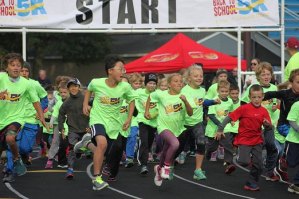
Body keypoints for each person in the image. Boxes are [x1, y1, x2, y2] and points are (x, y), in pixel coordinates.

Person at [81, 55, 137, 190]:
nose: (123, 72)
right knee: (102, 143)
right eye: (120, 69)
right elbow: (89, 89)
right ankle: (97, 179)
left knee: (106, 151)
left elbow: (131, 101)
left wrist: (129, 118)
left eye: (124, 69)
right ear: (110, 71)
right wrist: (85, 104)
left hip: (114, 123)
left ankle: (86, 143)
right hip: (97, 119)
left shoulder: (125, 86)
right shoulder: (96, 82)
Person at [215, 84, 272, 191]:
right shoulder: (244, 108)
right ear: (250, 97)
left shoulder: (264, 111)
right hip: (244, 140)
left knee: (258, 165)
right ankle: (233, 163)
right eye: (254, 97)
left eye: (259, 97)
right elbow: (229, 117)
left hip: (257, 140)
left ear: (263, 97)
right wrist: (220, 129)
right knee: (244, 161)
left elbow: (268, 127)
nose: (256, 99)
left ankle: (251, 183)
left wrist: (268, 125)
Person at [0, 53, 47, 182]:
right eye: (12, 65)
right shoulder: (1, 78)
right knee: (10, 144)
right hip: (1, 119)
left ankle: (12, 166)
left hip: (18, 118)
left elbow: (36, 101)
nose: (16, 68)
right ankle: (16, 158)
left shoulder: (28, 84)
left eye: (18, 66)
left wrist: (41, 117)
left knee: (11, 138)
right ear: (6, 67)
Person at [145, 73, 193, 186]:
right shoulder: (161, 94)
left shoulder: (184, 95)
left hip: (177, 128)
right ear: (169, 84)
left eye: (181, 81)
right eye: (176, 81)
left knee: (167, 150)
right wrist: (147, 111)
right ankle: (167, 167)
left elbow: (190, 113)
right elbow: (150, 97)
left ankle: (159, 169)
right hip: (163, 126)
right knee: (175, 144)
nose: (179, 83)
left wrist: (185, 101)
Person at [180, 65, 219, 180]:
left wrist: (213, 102)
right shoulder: (184, 90)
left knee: (201, 143)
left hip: (197, 122)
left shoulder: (202, 90)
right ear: (189, 78)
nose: (199, 78)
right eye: (195, 76)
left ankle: (198, 170)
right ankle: (169, 166)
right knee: (179, 147)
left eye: (201, 76)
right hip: (184, 122)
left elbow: (202, 102)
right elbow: (189, 110)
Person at [242, 62, 279, 181]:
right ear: (258, 76)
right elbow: (243, 103)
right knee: (257, 149)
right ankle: (251, 167)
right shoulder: (253, 88)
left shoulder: (274, 88)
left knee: (272, 147)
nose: (266, 77)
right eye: (263, 74)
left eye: (268, 74)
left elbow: (275, 102)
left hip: (269, 125)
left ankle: (270, 172)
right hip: (255, 126)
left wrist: (276, 105)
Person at [263, 69, 299, 182]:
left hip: (296, 126)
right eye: (298, 82)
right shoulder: (285, 93)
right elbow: (269, 94)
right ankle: (283, 158)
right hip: (284, 125)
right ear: (291, 82)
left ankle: (285, 162)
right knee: (292, 137)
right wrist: (258, 98)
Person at [58, 78, 90, 179]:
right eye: (71, 86)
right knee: (71, 148)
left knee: (85, 147)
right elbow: (61, 114)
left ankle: (80, 151)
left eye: (75, 86)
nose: (73, 88)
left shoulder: (86, 99)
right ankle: (70, 169)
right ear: (68, 88)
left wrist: (90, 125)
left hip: (85, 129)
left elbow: (94, 112)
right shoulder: (67, 102)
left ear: (79, 87)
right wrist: (61, 128)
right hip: (73, 129)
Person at [205, 80, 233, 165]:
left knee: (228, 144)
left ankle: (228, 162)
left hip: (225, 127)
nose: (224, 93)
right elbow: (211, 115)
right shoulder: (214, 100)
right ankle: (209, 152)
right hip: (214, 128)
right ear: (218, 91)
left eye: (226, 91)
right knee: (213, 146)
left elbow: (230, 112)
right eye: (222, 91)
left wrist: (231, 120)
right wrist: (220, 125)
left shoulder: (230, 101)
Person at [136, 73, 158, 174]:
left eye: (154, 83)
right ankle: (144, 165)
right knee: (144, 141)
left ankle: (145, 154)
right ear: (145, 84)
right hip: (143, 120)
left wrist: (153, 115)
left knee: (149, 142)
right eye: (149, 83)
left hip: (153, 122)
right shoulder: (139, 93)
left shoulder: (158, 95)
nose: (152, 85)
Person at [45, 82, 69, 169]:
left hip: (70, 126)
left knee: (68, 143)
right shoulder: (59, 102)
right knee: (55, 141)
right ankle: (50, 159)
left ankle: (66, 158)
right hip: (59, 125)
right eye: (61, 92)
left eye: (65, 92)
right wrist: (51, 123)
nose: (62, 94)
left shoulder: (73, 101)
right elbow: (55, 113)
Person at [125, 73, 142, 168]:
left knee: (133, 136)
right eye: (136, 83)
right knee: (128, 137)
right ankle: (127, 155)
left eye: (139, 83)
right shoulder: (128, 92)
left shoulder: (142, 92)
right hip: (128, 118)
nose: (138, 85)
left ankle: (129, 157)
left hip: (138, 119)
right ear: (131, 83)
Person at [286, 101, 299, 194]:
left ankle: (296, 184)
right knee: (292, 163)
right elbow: (291, 120)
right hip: (294, 139)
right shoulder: (297, 105)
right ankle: (282, 158)